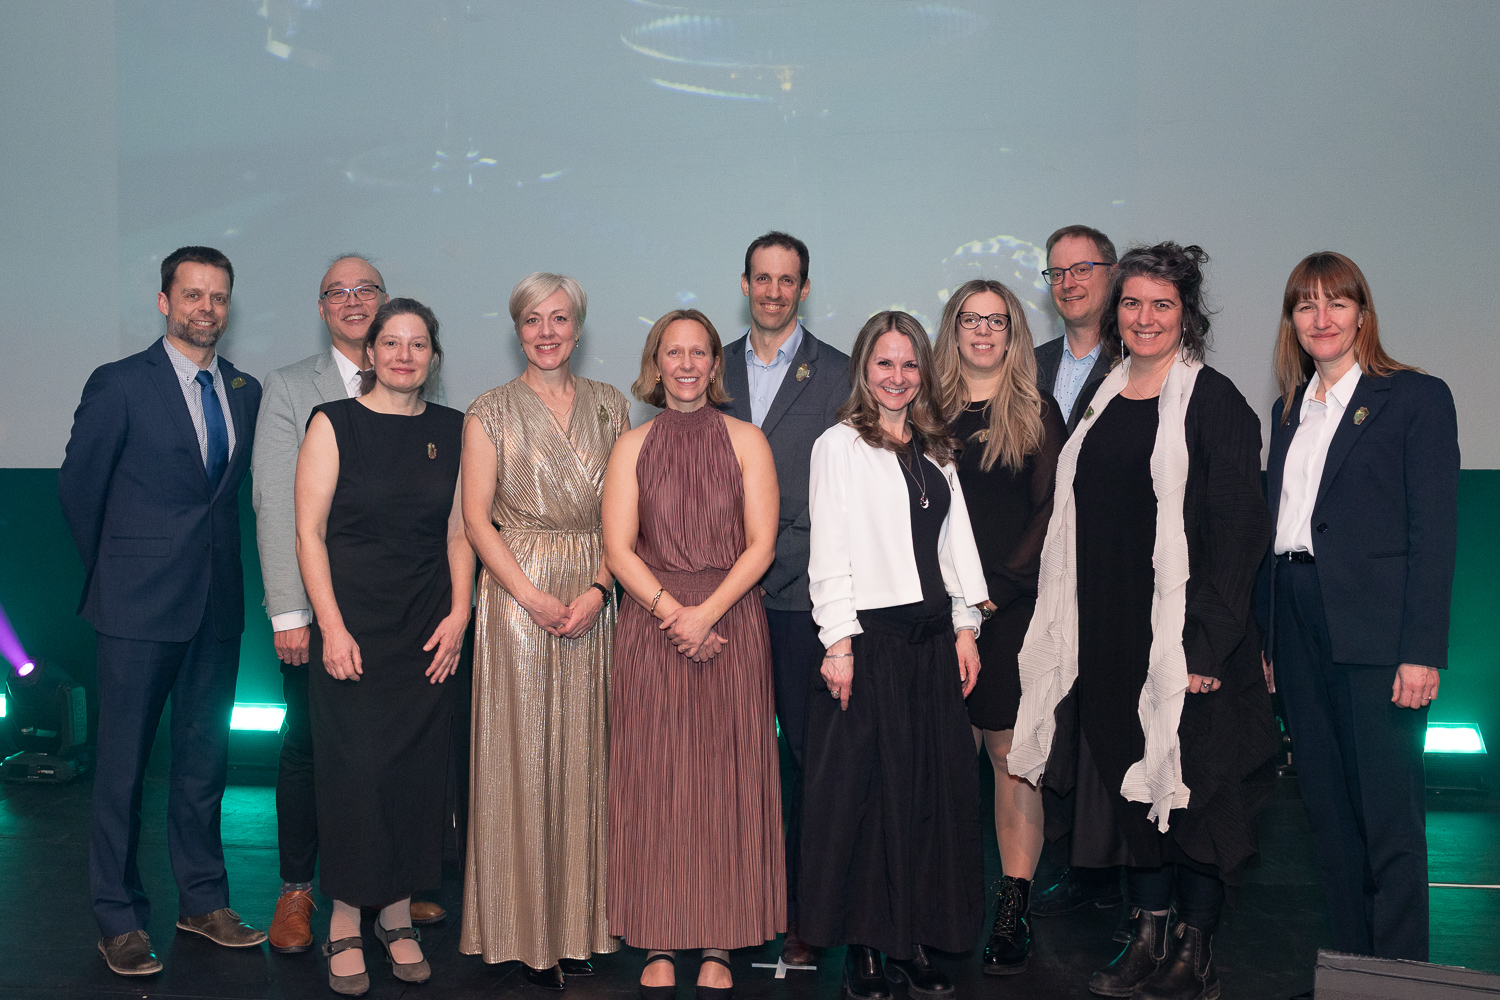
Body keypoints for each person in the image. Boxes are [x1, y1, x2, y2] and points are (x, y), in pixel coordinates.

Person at [1009, 243, 1277, 1000]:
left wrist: (1204, 646)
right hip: (1109, 635)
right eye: (1132, 303)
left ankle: (1197, 954)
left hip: (1185, 644)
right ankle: (1148, 935)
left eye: (1162, 304)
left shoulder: (1214, 402)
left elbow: (1237, 533)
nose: (1145, 317)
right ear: (1114, 310)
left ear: (1186, 314)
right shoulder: (1102, 397)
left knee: (1196, 800)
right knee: (1134, 797)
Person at [59, 246, 267, 977]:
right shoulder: (119, 384)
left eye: (217, 297)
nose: (204, 308)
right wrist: (121, 572)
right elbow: (79, 492)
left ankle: (202, 902)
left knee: (205, 765)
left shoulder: (242, 389)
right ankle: (117, 918)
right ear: (163, 302)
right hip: (136, 609)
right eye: (192, 295)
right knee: (120, 771)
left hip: (216, 607)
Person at [1258, 252, 1458, 970]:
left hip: (1377, 634)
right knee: (1328, 818)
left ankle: (1401, 978)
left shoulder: (1415, 398)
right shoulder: (1288, 410)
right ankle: (1349, 975)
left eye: (1336, 303)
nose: (1322, 318)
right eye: (1306, 306)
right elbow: (1275, 529)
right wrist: (1270, 639)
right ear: (1292, 322)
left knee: (1388, 820)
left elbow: (1432, 534)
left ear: (1362, 315)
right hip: (1299, 618)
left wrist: (1421, 648)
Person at [251, 254, 447, 955]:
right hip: (325, 615)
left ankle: (391, 889)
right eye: (339, 290)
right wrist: (294, 615)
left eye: (367, 289)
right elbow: (282, 510)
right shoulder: (293, 390)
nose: (353, 299)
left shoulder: (442, 419)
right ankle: (302, 892)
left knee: (392, 759)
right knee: (315, 752)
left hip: (411, 620)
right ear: (324, 307)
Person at [803, 311, 988, 1000]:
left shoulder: (936, 448)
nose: (898, 377)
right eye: (885, 364)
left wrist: (966, 625)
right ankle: (868, 953)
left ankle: (911, 940)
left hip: (932, 645)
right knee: (869, 801)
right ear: (864, 370)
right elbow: (830, 551)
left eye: (909, 365)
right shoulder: (838, 446)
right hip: (870, 645)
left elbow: (955, 542)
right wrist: (837, 641)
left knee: (928, 798)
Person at [602, 308, 783, 1000]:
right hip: (651, 626)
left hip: (731, 622)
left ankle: (719, 939)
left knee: (725, 783)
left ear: (715, 363)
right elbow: (618, 548)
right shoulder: (632, 445)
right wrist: (671, 614)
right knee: (655, 781)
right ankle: (656, 935)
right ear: (656, 362)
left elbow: (761, 544)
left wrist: (704, 613)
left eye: (698, 352)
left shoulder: (748, 441)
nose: (685, 364)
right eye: (672, 352)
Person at [294, 298, 472, 996]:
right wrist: (330, 626)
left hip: (428, 628)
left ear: (433, 356)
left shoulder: (455, 430)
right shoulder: (332, 424)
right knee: (355, 774)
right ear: (368, 354)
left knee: (414, 776)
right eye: (389, 343)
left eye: (418, 344)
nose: (403, 354)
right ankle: (343, 915)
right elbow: (309, 533)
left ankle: (396, 913)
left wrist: (462, 614)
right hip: (353, 628)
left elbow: (461, 532)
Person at [459, 273, 630, 988]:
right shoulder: (488, 411)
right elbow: (475, 519)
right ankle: (523, 930)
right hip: (514, 595)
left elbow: (628, 519)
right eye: (534, 319)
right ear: (517, 328)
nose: (548, 331)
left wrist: (597, 589)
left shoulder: (611, 407)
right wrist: (529, 595)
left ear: (579, 326)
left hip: (595, 591)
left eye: (561, 318)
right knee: (520, 761)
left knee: (590, 761)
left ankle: (580, 926)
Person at [717, 231, 850, 966]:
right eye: (761, 279)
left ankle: (805, 911)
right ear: (745, 284)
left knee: (806, 760)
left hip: (801, 598)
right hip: (723, 599)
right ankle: (736, 906)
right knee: (732, 760)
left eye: (786, 280)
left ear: (803, 288)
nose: (773, 291)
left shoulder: (836, 372)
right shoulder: (712, 368)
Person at [933, 279, 1065, 975]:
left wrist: (994, 596)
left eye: (998, 320)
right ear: (952, 329)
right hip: (931, 616)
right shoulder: (921, 411)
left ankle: (1013, 911)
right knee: (939, 763)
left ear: (1014, 333)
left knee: (1013, 761)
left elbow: (1052, 513)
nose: (983, 331)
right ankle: (940, 905)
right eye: (970, 319)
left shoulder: (1037, 413)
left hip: (1011, 612)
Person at [1034, 225, 1118, 432]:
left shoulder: (1134, 361)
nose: (1067, 284)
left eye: (1081, 270)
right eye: (1056, 274)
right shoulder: (1028, 366)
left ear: (1113, 275)